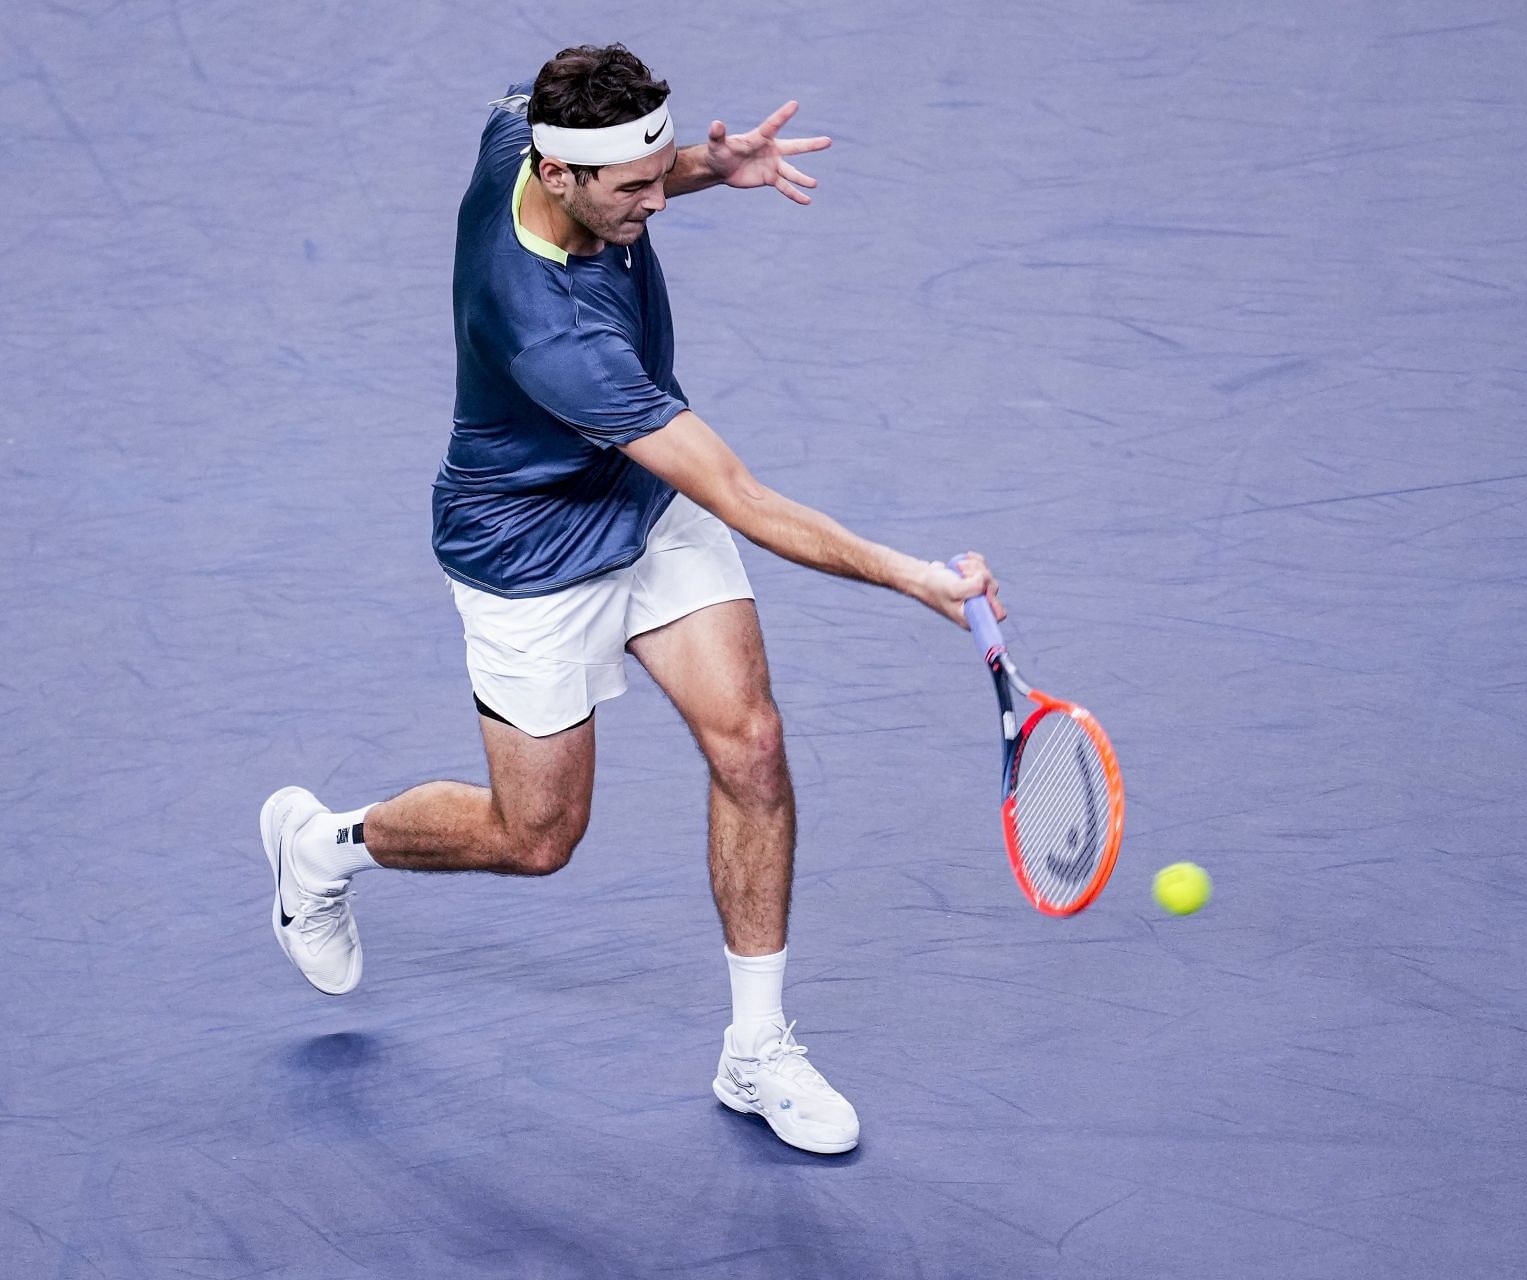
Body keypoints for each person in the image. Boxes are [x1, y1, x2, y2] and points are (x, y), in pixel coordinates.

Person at [258, 43, 1001, 1157]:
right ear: (558, 180)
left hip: (646, 504)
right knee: (536, 835)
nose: (660, 198)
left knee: (750, 745)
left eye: (663, 171)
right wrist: (916, 580)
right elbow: (745, 497)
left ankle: (756, 1047)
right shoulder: (556, 338)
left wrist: (709, 162)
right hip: (527, 550)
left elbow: (629, 165)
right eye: (637, 189)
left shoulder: (524, 128)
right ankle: (326, 844)